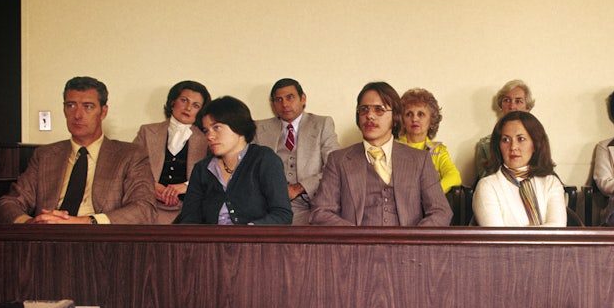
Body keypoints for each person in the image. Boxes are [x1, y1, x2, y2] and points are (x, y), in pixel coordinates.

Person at [0, 76, 156, 224]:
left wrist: (85, 222)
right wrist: (30, 224)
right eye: (71, 105)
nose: (77, 115)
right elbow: (7, 204)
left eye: (88, 107)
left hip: (100, 238)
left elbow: (144, 209)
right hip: (48, 236)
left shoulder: (129, 155)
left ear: (103, 112)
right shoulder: (45, 155)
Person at [310, 82, 452, 226]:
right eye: (364, 109)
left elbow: (441, 211)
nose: (370, 115)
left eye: (379, 110)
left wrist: (414, 237)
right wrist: (354, 235)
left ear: (395, 118)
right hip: (355, 240)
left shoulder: (420, 160)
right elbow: (321, 212)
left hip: (407, 240)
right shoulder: (338, 160)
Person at [178, 96, 292, 225]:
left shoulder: (264, 159)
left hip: (255, 237)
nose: (210, 136)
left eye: (217, 128)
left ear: (238, 126)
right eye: (206, 131)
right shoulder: (202, 169)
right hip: (210, 238)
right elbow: (189, 220)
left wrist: (249, 231)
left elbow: (282, 214)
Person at [254, 78, 341, 224]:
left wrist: (300, 187)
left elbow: (334, 168)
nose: (285, 104)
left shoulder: (322, 124)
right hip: (270, 206)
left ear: (303, 98)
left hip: (310, 204)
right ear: (273, 104)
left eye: (290, 97)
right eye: (279, 99)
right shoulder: (259, 128)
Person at [132, 80, 211, 223]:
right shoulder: (147, 131)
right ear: (172, 101)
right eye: (184, 100)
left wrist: (186, 186)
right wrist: (152, 186)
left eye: (196, 105)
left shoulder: (208, 137)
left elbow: (214, 173)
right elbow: (132, 167)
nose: (188, 108)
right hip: (148, 204)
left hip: (191, 208)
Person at [472, 111, 566, 227]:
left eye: (521, 139)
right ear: (498, 146)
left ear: (535, 144)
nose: (513, 147)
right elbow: (497, 235)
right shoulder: (487, 186)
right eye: (506, 140)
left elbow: (557, 229)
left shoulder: (551, 182)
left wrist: (517, 233)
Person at [398, 88, 461, 193]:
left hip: (430, 201)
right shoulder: (393, 148)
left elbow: (454, 176)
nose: (414, 119)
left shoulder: (439, 151)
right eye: (409, 114)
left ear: (431, 121)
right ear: (403, 121)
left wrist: (430, 193)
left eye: (421, 114)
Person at [473, 79, 535, 182]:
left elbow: (545, 172)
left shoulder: (537, 140)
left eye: (518, 101)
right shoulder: (485, 145)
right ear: (501, 105)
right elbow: (486, 181)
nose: (512, 106)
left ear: (527, 107)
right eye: (507, 100)